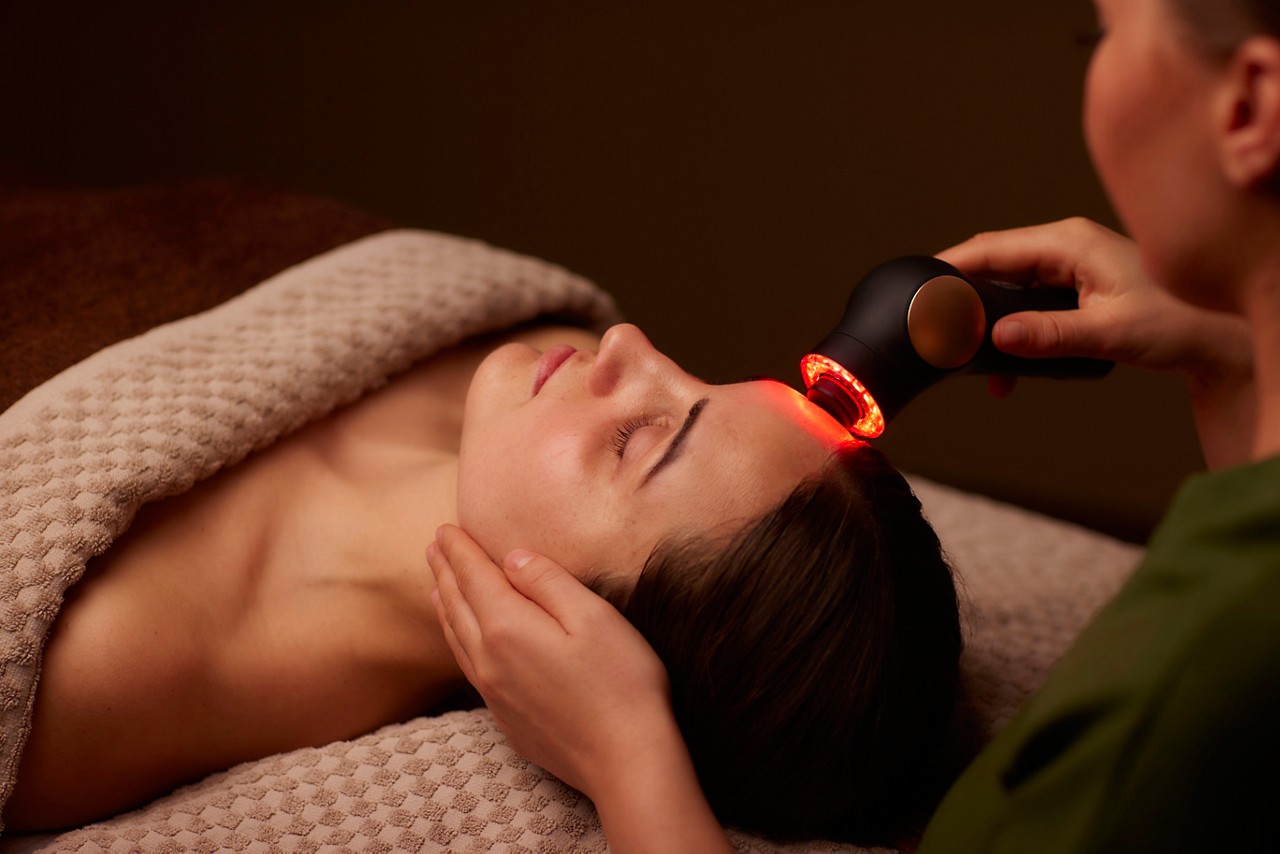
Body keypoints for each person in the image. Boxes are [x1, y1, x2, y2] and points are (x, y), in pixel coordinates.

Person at [430, 0, 1280, 850]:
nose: (623, 340)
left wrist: (627, 752)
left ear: (1249, 108)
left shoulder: (1186, 676)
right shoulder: (1235, 569)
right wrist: (1235, 360)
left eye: (1103, 37)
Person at [3, 319, 964, 844]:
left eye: (639, 439)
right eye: (697, 379)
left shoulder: (97, 676)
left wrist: (633, 757)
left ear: (568, 632)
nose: (623, 342)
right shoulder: (511, 335)